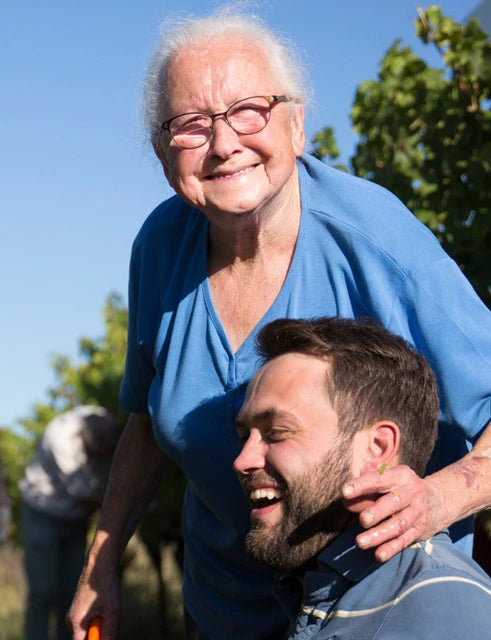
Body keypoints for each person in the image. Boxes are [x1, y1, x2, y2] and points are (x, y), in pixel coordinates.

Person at [68, 10, 491, 640]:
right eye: (190, 124)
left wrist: (441, 498)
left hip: (375, 610)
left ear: (295, 124)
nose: (223, 143)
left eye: (250, 109)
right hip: (222, 610)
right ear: (161, 153)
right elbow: (147, 422)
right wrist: (100, 565)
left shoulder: (377, 241)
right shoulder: (161, 246)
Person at [234, 316, 491, 638]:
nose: (242, 460)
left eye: (277, 432)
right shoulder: (319, 594)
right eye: (244, 436)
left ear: (378, 449)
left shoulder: (438, 607)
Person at [20, 406, 119, 640]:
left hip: (76, 520)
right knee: (42, 592)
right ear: (84, 440)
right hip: (42, 512)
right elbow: (84, 492)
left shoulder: (103, 420)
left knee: (73, 594)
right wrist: (124, 499)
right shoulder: (60, 438)